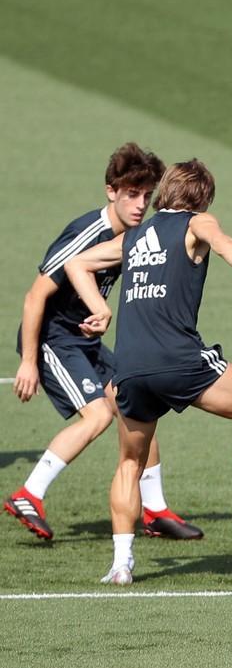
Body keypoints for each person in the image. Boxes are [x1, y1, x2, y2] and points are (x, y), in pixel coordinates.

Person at [65, 159, 232, 584]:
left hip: (129, 369)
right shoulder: (196, 223)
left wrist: (101, 309)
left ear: (163, 192)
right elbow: (223, 242)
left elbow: (76, 264)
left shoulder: (132, 237)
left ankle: (121, 564)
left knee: (130, 462)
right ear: (203, 198)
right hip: (178, 361)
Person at [5, 143, 200, 542]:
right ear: (111, 191)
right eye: (131, 194)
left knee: (139, 410)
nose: (140, 204)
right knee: (97, 416)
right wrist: (28, 360)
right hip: (54, 340)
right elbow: (34, 296)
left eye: (147, 195)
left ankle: (156, 510)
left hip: (85, 340)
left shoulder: (134, 235)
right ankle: (29, 494)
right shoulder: (88, 235)